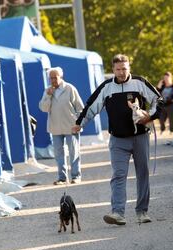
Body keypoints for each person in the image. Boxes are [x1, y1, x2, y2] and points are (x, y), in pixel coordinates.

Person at [72, 54, 163, 225]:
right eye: (118, 69)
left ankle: (142, 212)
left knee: (142, 174)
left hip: (140, 137)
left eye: (125, 69)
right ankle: (117, 213)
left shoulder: (140, 82)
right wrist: (79, 124)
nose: (121, 72)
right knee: (118, 175)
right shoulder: (107, 87)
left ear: (129, 68)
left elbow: (158, 100)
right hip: (117, 140)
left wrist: (149, 117)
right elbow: (91, 106)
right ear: (112, 70)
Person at [39, 67, 84, 185]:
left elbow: (80, 107)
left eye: (55, 77)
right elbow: (43, 108)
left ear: (61, 77)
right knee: (59, 154)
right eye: (51, 78)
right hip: (55, 127)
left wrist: (79, 124)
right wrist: (48, 96)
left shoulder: (69, 88)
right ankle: (62, 178)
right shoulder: (47, 91)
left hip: (71, 126)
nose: (53, 80)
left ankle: (76, 176)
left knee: (74, 152)